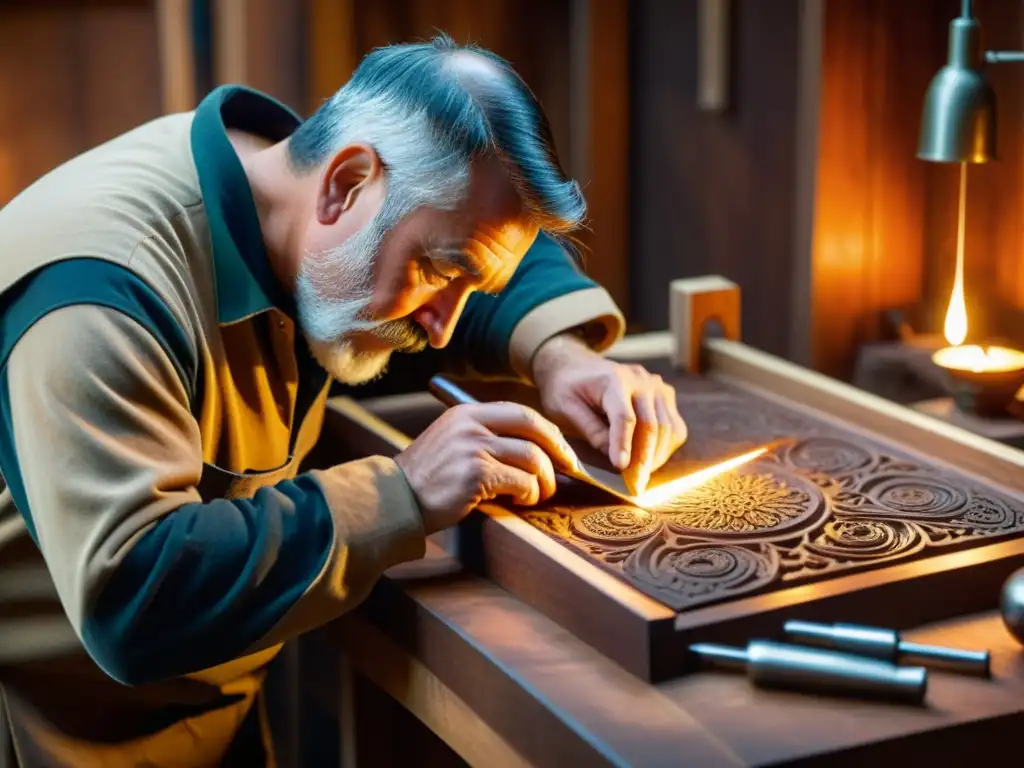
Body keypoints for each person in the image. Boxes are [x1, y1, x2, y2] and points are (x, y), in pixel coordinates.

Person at [0, 35, 687, 767]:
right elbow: (133, 602)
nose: (444, 325)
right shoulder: (102, 296)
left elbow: (475, 235)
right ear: (346, 182)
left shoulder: (306, 179)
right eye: (437, 274)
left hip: (212, 716)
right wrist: (405, 490)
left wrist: (561, 354)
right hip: (52, 731)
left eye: (466, 288)